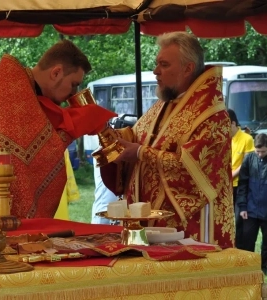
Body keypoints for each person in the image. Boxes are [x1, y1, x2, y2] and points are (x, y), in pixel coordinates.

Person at [100, 31, 234, 247]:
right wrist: (111, 136)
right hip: (147, 226)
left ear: (187, 68)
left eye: (164, 65)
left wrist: (139, 152)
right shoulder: (164, 105)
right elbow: (138, 137)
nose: (155, 71)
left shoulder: (211, 115)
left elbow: (195, 171)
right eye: (156, 64)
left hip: (191, 229)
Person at [0, 39, 116, 218]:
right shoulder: (16, 92)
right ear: (56, 72)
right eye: (73, 84)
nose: (73, 93)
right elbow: (26, 160)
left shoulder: (29, 92)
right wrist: (70, 131)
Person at [236, 133, 267, 274]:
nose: (260, 154)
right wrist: (242, 206)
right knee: (247, 240)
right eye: (257, 151)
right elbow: (242, 185)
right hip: (250, 210)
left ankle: (264, 267)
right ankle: (247, 267)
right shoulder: (249, 159)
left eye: (263, 151)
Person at [228, 108, 254, 248]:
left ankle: (241, 249)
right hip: (226, 186)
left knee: (239, 220)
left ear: (233, 123)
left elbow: (246, 163)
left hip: (240, 186)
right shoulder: (225, 139)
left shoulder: (247, 139)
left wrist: (231, 175)